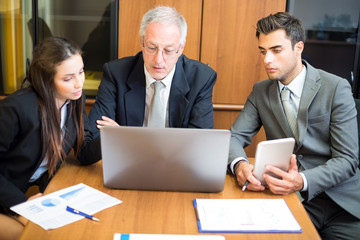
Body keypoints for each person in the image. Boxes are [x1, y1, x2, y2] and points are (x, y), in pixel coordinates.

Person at [228, 12, 360, 239]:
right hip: (292, 202)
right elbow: (234, 138)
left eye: (276, 50)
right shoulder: (261, 92)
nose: (267, 59)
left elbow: (348, 160)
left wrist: (302, 180)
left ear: (298, 47)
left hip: (343, 205)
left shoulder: (336, 88)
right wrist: (239, 165)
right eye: (263, 51)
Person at [84, 6, 217, 162]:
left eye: (168, 50)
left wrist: (123, 138)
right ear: (142, 43)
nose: (158, 60)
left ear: (181, 48)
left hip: (176, 170)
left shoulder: (201, 79)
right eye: (152, 48)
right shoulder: (116, 74)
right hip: (127, 166)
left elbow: (199, 147)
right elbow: (86, 151)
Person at [0, 37, 91, 240]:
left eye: (81, 72)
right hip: (8, 198)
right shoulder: (18, 109)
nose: (79, 83)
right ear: (46, 80)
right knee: (34, 236)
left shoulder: (74, 99)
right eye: (68, 78)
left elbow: (83, 148)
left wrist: (115, 138)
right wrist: (21, 206)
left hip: (20, 197)